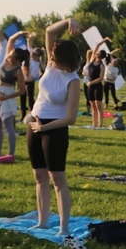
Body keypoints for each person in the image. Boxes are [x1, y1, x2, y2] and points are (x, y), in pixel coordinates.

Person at [24, 17, 83, 236]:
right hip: (35, 124)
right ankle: (42, 221)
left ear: (64, 59)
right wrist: (68, 21)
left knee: (57, 179)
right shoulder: (51, 64)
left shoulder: (74, 80)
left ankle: (64, 226)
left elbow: (71, 118)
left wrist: (45, 129)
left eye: (55, 56)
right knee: (39, 176)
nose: (51, 57)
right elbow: (50, 32)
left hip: (54, 129)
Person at [0, 33, 27, 158]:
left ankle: (10, 153)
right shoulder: (6, 60)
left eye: (12, 54)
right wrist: (20, 34)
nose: (9, 54)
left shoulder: (18, 71)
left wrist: (6, 97)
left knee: (9, 126)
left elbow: (22, 90)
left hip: (7, 95)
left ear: (16, 59)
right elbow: (10, 40)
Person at [84, 49, 105, 127]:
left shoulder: (101, 65)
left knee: (98, 106)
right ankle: (94, 124)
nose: (96, 53)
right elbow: (90, 73)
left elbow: (101, 78)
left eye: (98, 53)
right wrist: (85, 74)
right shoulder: (92, 61)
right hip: (90, 86)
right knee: (92, 106)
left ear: (100, 55)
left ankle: (100, 125)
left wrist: (91, 82)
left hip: (97, 86)